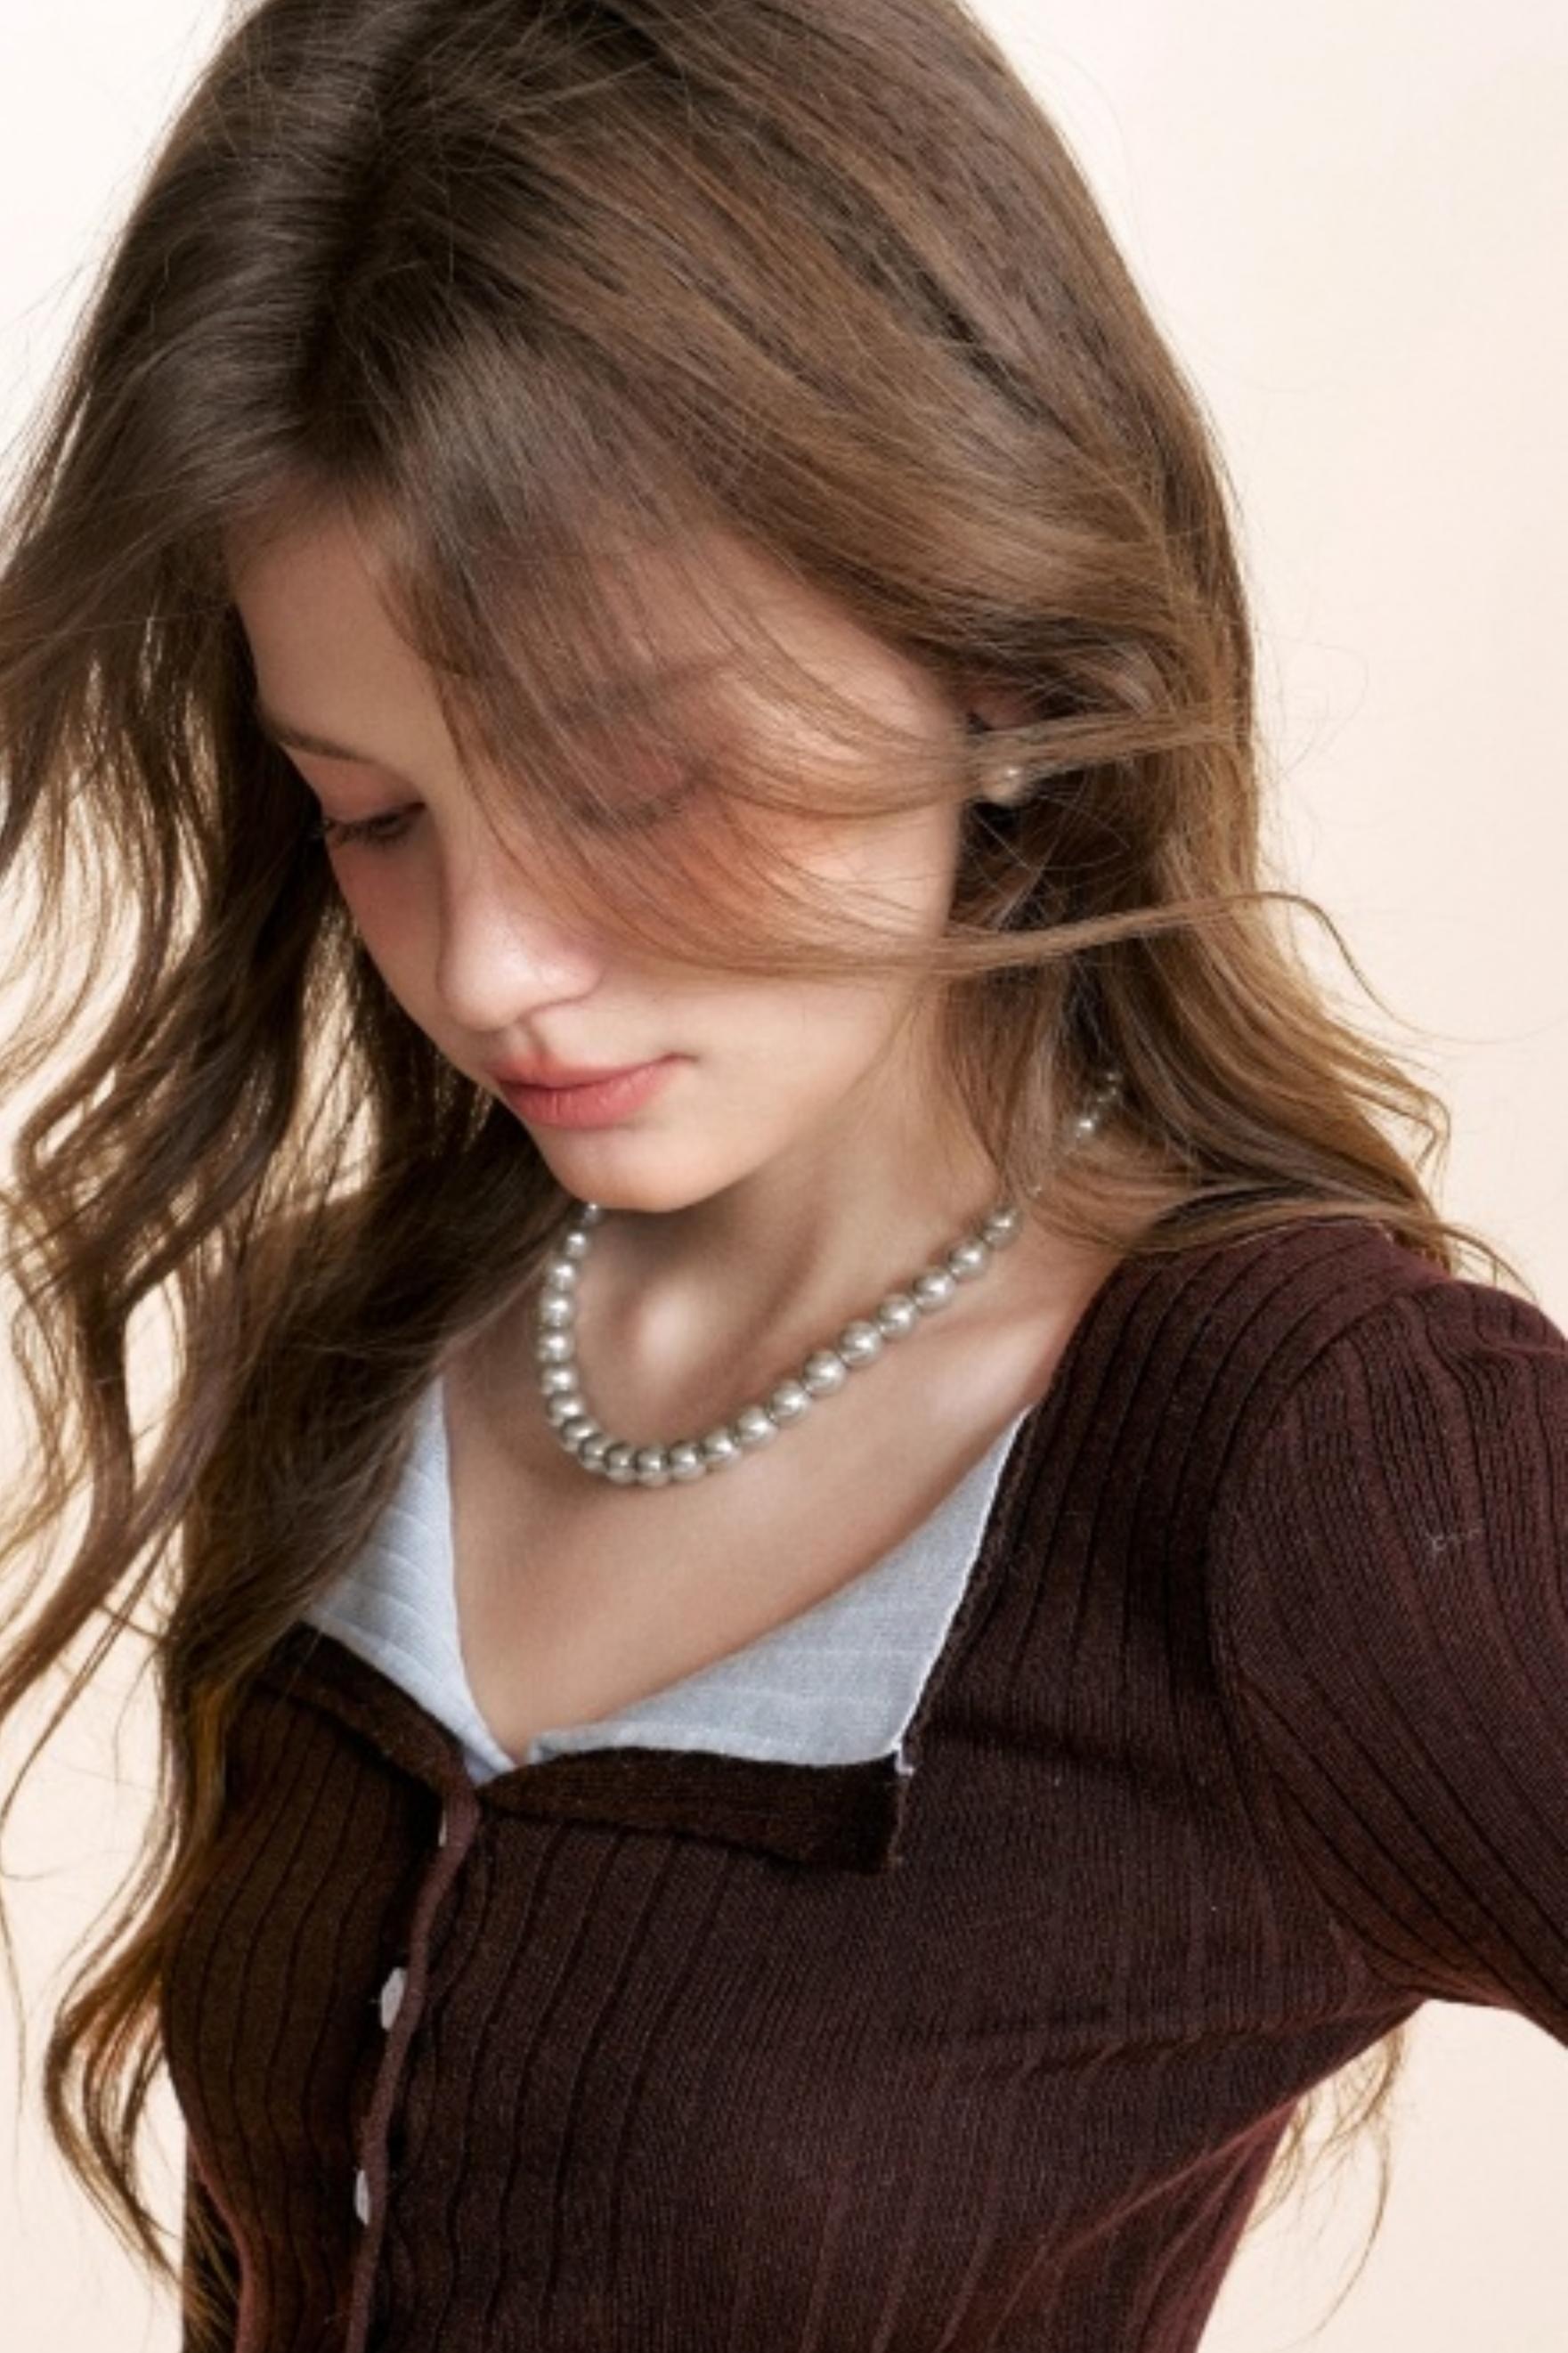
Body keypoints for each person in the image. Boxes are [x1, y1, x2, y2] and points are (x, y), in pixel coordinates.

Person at [0, 4, 1562, 2349]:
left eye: (632, 781)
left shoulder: (1312, 1457)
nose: (491, 966)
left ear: (996, 662)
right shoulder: (356, 1345)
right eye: (374, 813)